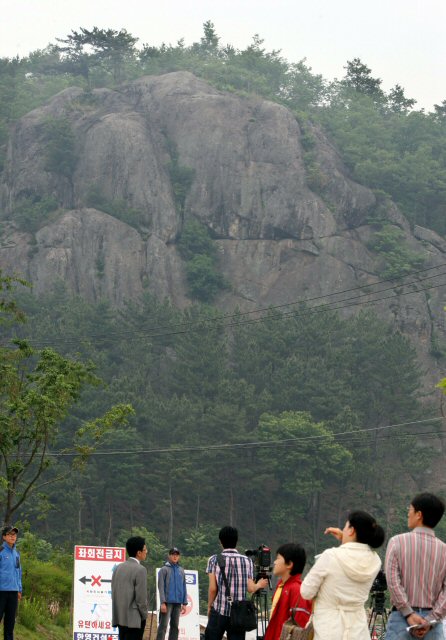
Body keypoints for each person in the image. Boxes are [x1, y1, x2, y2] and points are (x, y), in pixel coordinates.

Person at [300, 510, 385, 640]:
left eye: (345, 527)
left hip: (328, 629)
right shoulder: (375, 561)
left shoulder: (330, 556)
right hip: (358, 631)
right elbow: (355, 554)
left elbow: (306, 592)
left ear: (351, 530)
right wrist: (347, 541)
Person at [384, 492, 446, 640]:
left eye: (409, 510)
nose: (408, 514)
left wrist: (409, 613)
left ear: (419, 514)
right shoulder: (444, 550)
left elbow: (393, 582)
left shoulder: (397, 542)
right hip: (433, 625)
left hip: (401, 620)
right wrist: (430, 619)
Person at [205, 525, 269, 640]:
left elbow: (213, 589)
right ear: (236, 540)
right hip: (239, 614)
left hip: (219, 610)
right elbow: (250, 588)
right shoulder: (247, 561)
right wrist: (259, 584)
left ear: (221, 541)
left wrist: (210, 606)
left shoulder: (213, 559)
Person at [264, 543, 312, 640]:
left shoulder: (298, 589)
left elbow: (301, 626)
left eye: (278, 558)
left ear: (289, 564)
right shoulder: (282, 586)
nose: (274, 562)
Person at [111, 536, 148, 640]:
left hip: (120, 617)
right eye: (145, 549)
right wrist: (144, 615)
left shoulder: (118, 568)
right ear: (139, 553)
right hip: (134, 619)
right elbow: (141, 598)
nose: (146, 551)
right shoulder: (141, 570)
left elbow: (114, 591)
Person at [156, 547, 188, 640]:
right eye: (173, 554)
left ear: (179, 556)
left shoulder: (181, 570)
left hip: (178, 603)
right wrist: (162, 602)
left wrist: (185, 603)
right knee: (163, 626)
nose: (175, 556)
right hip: (167, 603)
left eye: (177, 555)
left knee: (175, 626)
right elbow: (160, 587)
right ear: (169, 556)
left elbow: (184, 587)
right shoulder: (164, 569)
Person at [0, 525, 22, 640]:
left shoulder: (16, 554)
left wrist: (19, 589)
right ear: (4, 537)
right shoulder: (1, 551)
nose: (13, 536)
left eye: (14, 534)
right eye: (10, 534)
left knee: (10, 624)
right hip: (1, 592)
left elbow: (19, 572)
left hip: (13, 592)